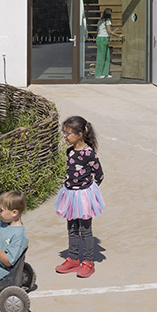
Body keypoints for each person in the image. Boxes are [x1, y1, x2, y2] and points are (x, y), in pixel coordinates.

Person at [54, 115, 104, 278]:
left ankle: (88, 262)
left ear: (80, 134)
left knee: (85, 229)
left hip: (83, 196)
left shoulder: (89, 154)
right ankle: (73, 259)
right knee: (72, 227)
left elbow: (99, 175)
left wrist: (88, 193)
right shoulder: (69, 152)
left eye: (67, 133)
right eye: (64, 132)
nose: (64, 136)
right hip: (70, 195)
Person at [95, 9, 113, 79]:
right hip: (103, 39)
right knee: (101, 57)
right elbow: (109, 31)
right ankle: (98, 74)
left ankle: (105, 73)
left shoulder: (100, 21)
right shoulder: (107, 20)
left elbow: (97, 31)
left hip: (102, 38)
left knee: (107, 57)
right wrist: (118, 35)